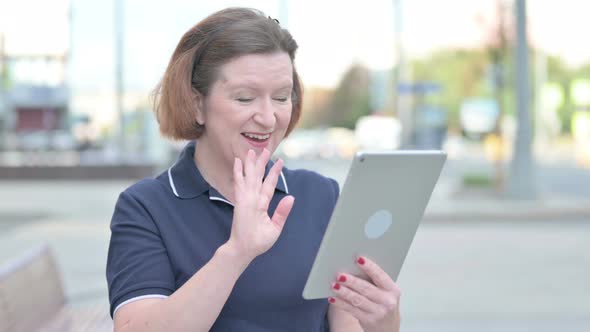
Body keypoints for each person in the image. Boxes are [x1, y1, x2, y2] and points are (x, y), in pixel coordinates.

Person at [106, 7, 401, 332]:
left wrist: (383, 322)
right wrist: (236, 252)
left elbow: (349, 325)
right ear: (196, 104)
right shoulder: (145, 208)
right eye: (245, 98)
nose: (268, 117)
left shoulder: (321, 195)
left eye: (281, 97)